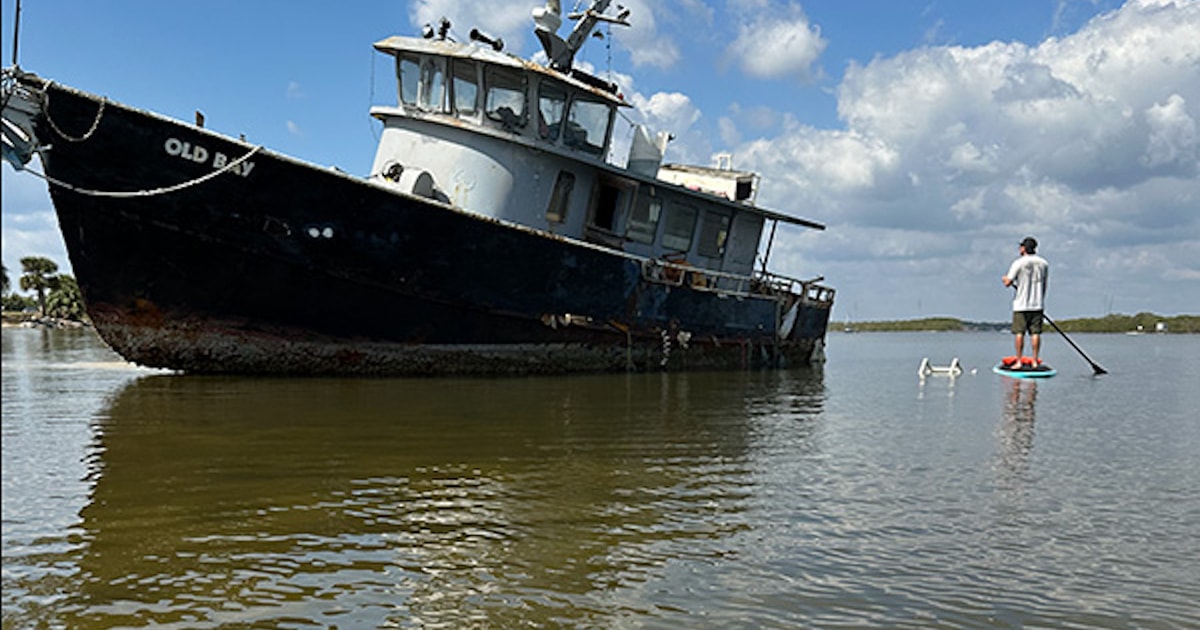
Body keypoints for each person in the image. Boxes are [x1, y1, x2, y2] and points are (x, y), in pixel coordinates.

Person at [1002, 237, 1049, 366]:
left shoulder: (1018, 263)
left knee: (1019, 333)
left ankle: (1018, 361)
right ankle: (1034, 360)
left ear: (1023, 248)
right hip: (1038, 304)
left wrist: (1005, 278)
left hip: (1021, 305)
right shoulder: (1044, 263)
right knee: (1035, 333)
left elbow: (1008, 282)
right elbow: (1045, 284)